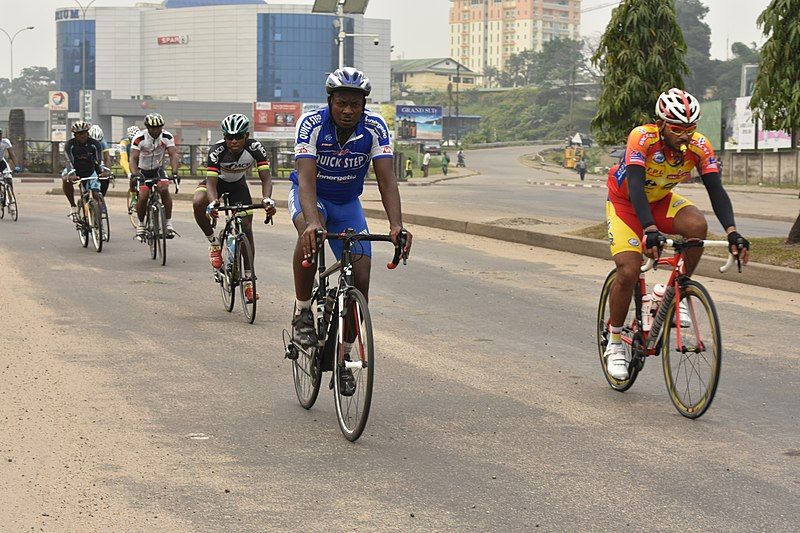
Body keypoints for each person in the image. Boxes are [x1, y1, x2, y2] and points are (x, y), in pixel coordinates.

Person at [604, 88, 750, 380]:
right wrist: (649, 230)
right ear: (660, 124)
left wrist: (733, 231)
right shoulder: (641, 137)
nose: (685, 135)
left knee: (697, 226)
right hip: (626, 204)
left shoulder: (698, 145)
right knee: (629, 271)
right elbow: (634, 186)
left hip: (660, 202)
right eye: (677, 129)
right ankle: (616, 341)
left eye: (691, 128)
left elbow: (715, 190)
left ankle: (673, 292)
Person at [288, 67, 412, 395]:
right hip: (312, 198)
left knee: (362, 278)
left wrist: (396, 225)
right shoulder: (311, 124)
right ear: (330, 102)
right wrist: (313, 222)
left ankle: (343, 358)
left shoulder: (375, 127)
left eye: (355, 105)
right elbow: (306, 179)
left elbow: (387, 179)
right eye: (341, 103)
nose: (347, 110)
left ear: (364, 106)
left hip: (347, 205)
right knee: (309, 236)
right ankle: (303, 312)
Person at [195, 113, 277, 302]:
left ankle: (248, 281)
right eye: (229, 137)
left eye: (238, 137)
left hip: (238, 185)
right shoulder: (217, 151)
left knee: (246, 228)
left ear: (246, 136)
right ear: (224, 137)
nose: (233, 141)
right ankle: (214, 243)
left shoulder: (255, 147)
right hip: (217, 184)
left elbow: (266, 177)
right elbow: (211, 183)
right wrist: (213, 202)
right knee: (199, 201)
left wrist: (267, 199)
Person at [130, 113, 180, 239]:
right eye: (152, 128)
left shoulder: (167, 136)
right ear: (147, 127)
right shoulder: (139, 138)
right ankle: (141, 225)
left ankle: (168, 224)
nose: (156, 130)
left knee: (164, 189)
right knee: (143, 195)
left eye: (158, 127)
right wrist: (136, 174)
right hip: (142, 170)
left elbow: (173, 154)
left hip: (158, 169)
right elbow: (133, 158)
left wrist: (174, 173)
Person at [62, 121, 110, 219]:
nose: (82, 136)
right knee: (65, 179)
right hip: (74, 169)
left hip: (90, 169)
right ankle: (73, 206)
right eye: (79, 134)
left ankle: (99, 224)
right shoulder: (69, 145)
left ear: (88, 133)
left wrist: (103, 172)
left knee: (97, 194)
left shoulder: (95, 144)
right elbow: (69, 161)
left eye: (84, 133)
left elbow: (99, 161)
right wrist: (71, 174)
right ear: (75, 135)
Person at [119, 125, 140, 210]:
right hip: (128, 161)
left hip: (140, 160)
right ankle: (134, 199)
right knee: (133, 178)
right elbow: (123, 159)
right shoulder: (124, 142)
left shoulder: (141, 139)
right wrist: (129, 173)